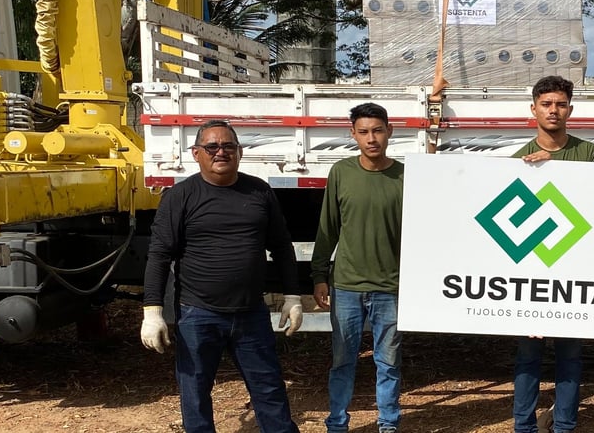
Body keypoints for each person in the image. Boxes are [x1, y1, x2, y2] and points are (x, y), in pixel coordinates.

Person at [140, 119, 304, 433]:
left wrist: (293, 296)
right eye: (212, 146)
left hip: (251, 314)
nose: (221, 152)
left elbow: (282, 247)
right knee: (195, 393)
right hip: (198, 314)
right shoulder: (180, 196)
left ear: (239, 152)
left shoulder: (259, 191)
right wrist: (152, 312)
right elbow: (159, 255)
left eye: (228, 146)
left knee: (269, 389)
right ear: (196, 153)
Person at [511, 75, 594, 433]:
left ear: (570, 110)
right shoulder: (519, 160)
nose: (554, 110)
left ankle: (564, 425)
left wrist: (555, 166)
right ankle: (523, 426)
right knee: (527, 357)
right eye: (546, 104)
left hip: (573, 270)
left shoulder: (590, 154)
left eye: (561, 104)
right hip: (530, 273)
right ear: (533, 109)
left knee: (570, 356)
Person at [310, 102, 407, 433]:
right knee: (342, 362)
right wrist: (319, 276)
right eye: (364, 132)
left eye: (378, 131)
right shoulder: (341, 172)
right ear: (352, 134)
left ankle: (389, 424)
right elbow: (328, 228)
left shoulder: (405, 176)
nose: (371, 139)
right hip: (347, 287)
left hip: (390, 288)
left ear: (389, 131)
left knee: (388, 363)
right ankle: (337, 423)